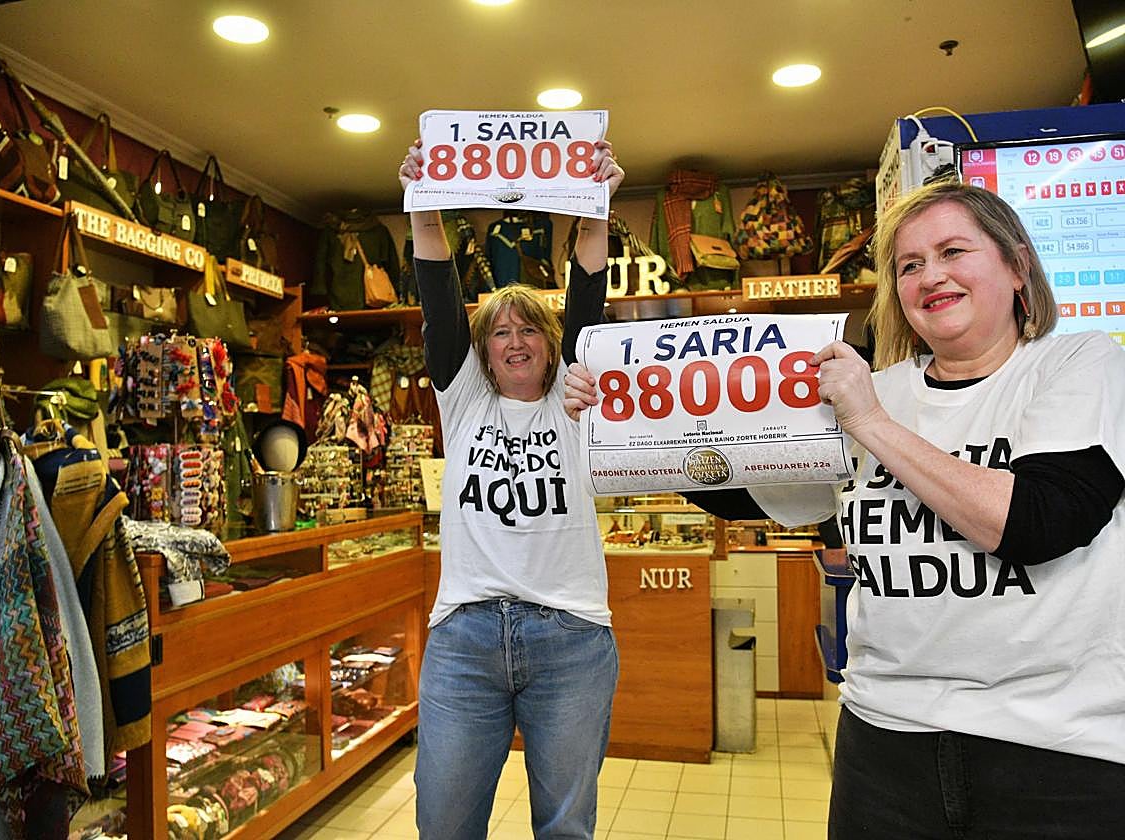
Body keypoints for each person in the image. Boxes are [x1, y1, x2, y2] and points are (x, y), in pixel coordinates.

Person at [564, 181, 1125, 838]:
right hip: (884, 743)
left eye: (952, 251)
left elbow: (1039, 523)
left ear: (1017, 265)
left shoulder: (1078, 364)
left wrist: (868, 420)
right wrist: (624, 415)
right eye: (909, 265)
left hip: (1057, 752)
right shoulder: (879, 391)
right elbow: (742, 489)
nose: (930, 275)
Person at [398, 137, 625, 840]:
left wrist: (596, 209)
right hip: (465, 637)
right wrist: (423, 208)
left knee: (564, 828)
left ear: (553, 346)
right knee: (445, 824)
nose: (516, 340)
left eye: (530, 328)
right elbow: (439, 295)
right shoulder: (462, 398)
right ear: (483, 350)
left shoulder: (572, 395)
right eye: (500, 333)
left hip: (572, 636)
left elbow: (587, 295)